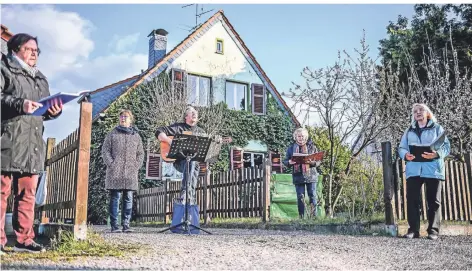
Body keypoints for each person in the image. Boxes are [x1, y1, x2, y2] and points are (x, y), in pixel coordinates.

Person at [1, 33, 63, 253]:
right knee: (1, 193)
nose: (34, 53)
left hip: (33, 143)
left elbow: (41, 110)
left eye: (36, 50)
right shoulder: (3, 68)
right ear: (15, 50)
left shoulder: (40, 78)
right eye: (29, 49)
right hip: (7, 139)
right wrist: (20, 104)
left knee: (27, 195)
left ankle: (24, 240)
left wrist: (53, 111)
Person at [398, 103, 450, 240]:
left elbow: (446, 147)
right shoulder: (409, 130)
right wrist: (405, 155)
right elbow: (401, 147)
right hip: (413, 169)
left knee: (433, 201)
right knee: (412, 200)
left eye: (421, 110)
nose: (418, 112)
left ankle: (433, 231)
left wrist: (436, 154)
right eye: (415, 111)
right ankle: (413, 231)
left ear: (427, 113)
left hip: (433, 169)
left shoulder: (437, 128)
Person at [102, 110, 144, 233]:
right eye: (121, 116)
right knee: (115, 197)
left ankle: (126, 225)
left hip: (130, 172)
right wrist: (112, 164)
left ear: (131, 120)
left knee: (128, 197)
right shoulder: (112, 134)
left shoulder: (136, 136)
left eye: (125, 117)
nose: (123, 118)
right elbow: (105, 151)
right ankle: (114, 226)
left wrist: (136, 165)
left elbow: (140, 153)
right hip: (115, 171)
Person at [155, 106, 205, 205]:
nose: (194, 114)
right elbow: (159, 131)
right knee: (191, 163)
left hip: (194, 163)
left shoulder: (201, 132)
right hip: (179, 162)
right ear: (186, 116)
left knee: (193, 163)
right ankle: (187, 195)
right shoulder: (178, 127)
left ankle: (187, 197)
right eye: (191, 112)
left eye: (195, 112)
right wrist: (170, 141)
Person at [283, 127, 321, 219]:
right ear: (295, 137)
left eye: (303, 136)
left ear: (306, 137)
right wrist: (289, 162)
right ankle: (301, 217)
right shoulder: (291, 148)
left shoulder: (312, 147)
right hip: (298, 176)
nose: (301, 138)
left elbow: (319, 161)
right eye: (299, 136)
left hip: (311, 176)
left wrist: (312, 162)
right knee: (300, 198)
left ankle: (313, 217)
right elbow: (285, 161)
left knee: (312, 196)